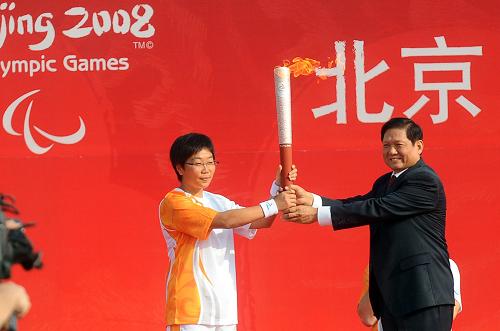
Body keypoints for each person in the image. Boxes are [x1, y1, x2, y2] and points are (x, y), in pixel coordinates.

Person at [283, 118, 455, 330]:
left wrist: (318, 215)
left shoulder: (425, 180)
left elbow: (378, 208)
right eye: (386, 146)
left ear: (418, 146)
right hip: (393, 298)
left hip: (423, 294)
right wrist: (313, 200)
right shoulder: (386, 182)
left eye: (398, 145)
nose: (391, 151)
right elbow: (363, 202)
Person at [160, 133, 296, 331]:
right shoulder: (174, 202)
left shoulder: (219, 201)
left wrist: (277, 190)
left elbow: (261, 221)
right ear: (180, 168)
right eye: (198, 163)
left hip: (224, 310)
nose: (206, 170)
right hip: (190, 310)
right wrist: (274, 203)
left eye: (211, 162)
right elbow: (224, 220)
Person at [357, 258, 462, 330]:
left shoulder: (446, 265)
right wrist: (384, 273)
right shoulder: (378, 267)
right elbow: (368, 318)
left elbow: (445, 316)